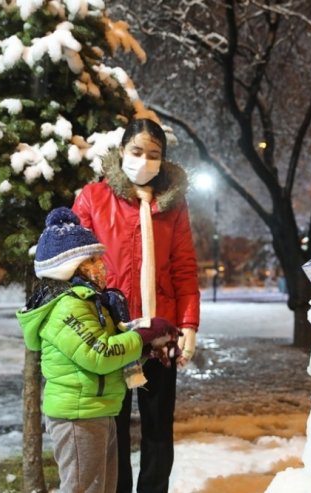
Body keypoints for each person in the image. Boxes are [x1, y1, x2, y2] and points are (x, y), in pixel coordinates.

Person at [72, 118, 201, 493]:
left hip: (160, 329)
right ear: (122, 150)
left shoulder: (173, 205)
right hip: (111, 329)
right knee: (113, 425)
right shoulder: (93, 198)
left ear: (163, 159)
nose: (144, 160)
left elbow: (184, 268)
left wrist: (189, 325)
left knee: (159, 425)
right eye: (137, 151)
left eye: (154, 154)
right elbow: (77, 265)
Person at [17, 207, 178, 493]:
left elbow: (112, 352)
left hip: (99, 410)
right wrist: (141, 336)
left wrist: (147, 348)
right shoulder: (67, 307)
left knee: (102, 488)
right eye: (91, 260)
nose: (101, 266)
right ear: (69, 267)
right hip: (78, 416)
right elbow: (100, 355)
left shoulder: (93, 303)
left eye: (98, 258)